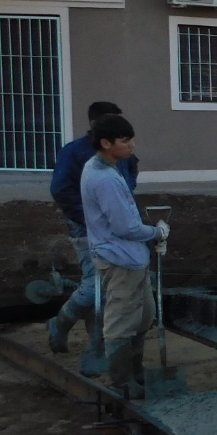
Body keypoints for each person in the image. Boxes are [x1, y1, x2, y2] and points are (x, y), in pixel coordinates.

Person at [46, 101, 139, 370]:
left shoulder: (121, 152)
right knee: (95, 284)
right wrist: (89, 217)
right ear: (95, 124)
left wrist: (123, 197)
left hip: (115, 228)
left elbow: (130, 172)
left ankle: (97, 346)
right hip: (85, 229)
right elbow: (61, 190)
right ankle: (60, 323)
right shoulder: (75, 153)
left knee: (107, 288)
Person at [79, 115, 168, 397]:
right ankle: (121, 381)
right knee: (121, 321)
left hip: (131, 257)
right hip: (119, 259)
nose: (132, 145)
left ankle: (136, 371)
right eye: (125, 140)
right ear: (106, 143)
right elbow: (125, 227)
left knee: (144, 316)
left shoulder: (105, 167)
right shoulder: (103, 178)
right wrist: (157, 233)